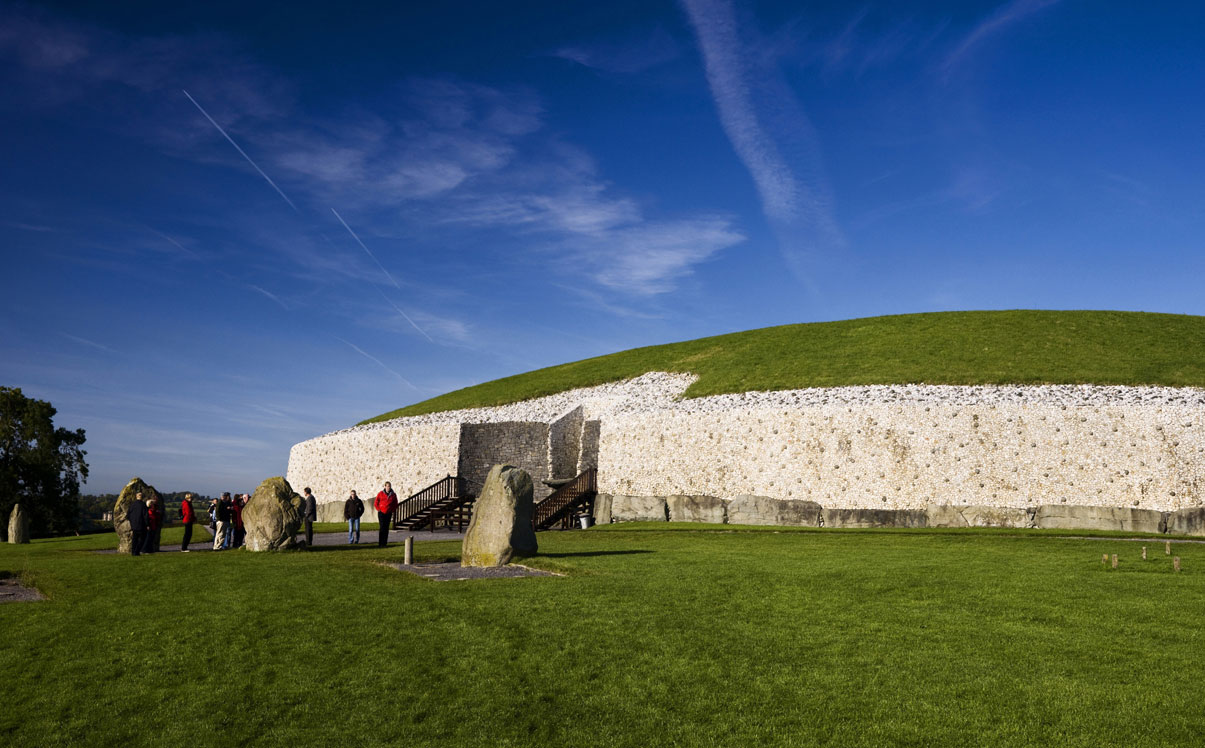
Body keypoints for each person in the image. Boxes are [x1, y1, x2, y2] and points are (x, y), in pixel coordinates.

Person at [374, 481, 397, 548]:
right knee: (382, 527)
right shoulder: (380, 494)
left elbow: (395, 503)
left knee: (386, 528)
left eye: (389, 486)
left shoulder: (393, 495)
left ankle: (384, 543)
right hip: (381, 512)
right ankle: (380, 543)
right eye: (387, 486)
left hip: (388, 513)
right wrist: (379, 509)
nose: (388, 487)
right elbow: (376, 502)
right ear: (385, 487)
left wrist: (392, 510)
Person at [128, 492, 149, 556]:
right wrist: (147, 524)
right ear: (142, 497)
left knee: (134, 539)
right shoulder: (143, 505)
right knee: (142, 539)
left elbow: (128, 515)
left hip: (134, 524)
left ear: (136, 496)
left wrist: (132, 521)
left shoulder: (132, 505)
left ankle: (133, 551)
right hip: (141, 525)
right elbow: (145, 515)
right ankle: (136, 551)